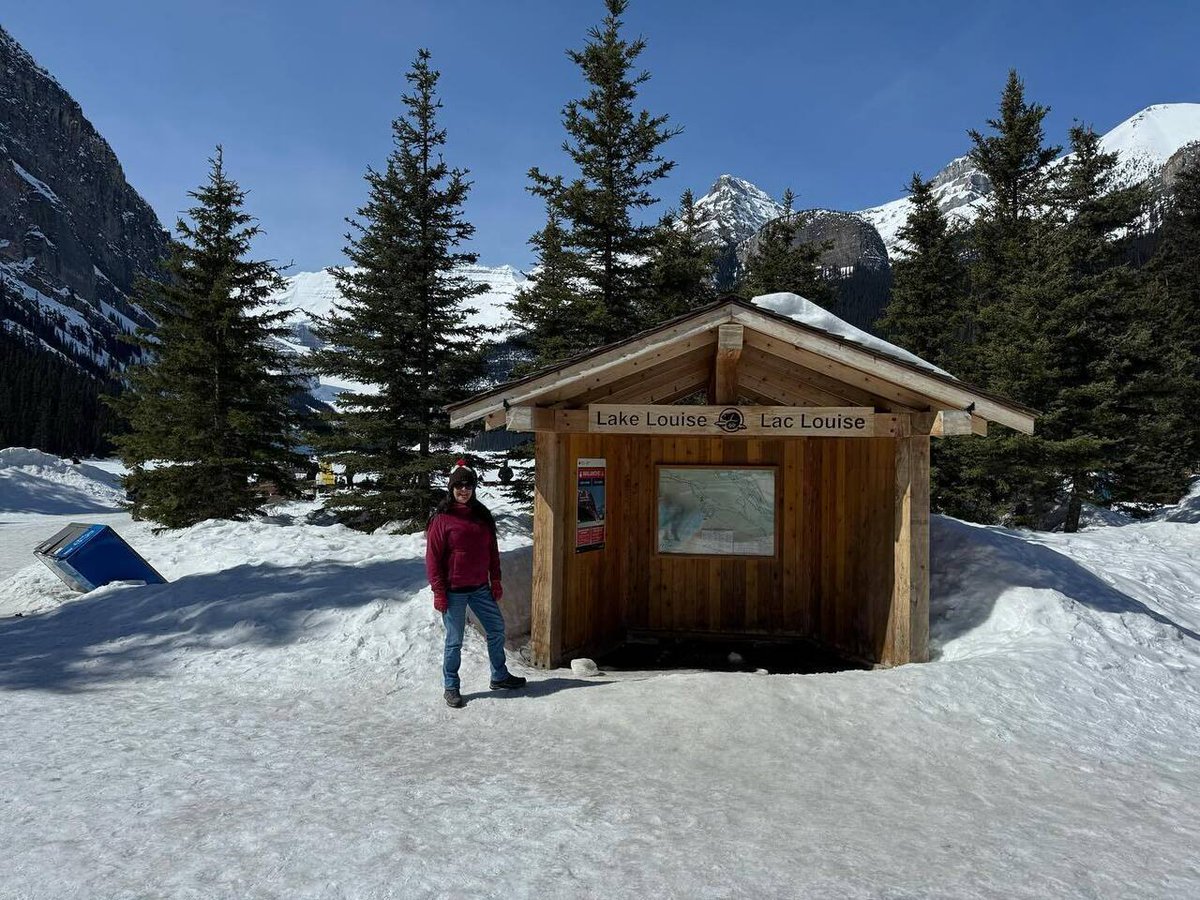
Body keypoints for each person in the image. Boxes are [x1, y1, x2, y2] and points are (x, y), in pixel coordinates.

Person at [425, 462, 526, 708]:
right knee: (454, 640)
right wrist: (439, 592)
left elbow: (492, 551)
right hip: (453, 591)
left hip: (480, 588)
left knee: (496, 629)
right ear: (451, 488)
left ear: (473, 488)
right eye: (458, 485)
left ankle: (499, 676)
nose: (463, 489)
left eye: (468, 485)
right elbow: (433, 559)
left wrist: (497, 579)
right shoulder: (442, 519)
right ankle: (451, 686)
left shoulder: (481, 516)